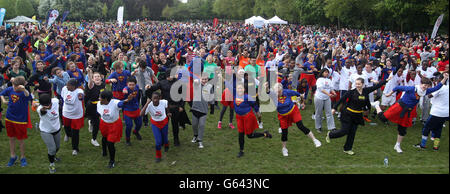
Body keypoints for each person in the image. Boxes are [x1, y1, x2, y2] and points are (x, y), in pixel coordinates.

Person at [374, 73, 448, 153]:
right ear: (420, 84)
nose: (425, 87)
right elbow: (397, 87)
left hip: (408, 111)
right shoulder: (412, 88)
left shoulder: (425, 91)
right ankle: (377, 105)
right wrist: (389, 94)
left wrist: (445, 78)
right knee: (383, 118)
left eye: (427, 86)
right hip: (399, 106)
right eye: (424, 85)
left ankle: (397, 145)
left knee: (402, 129)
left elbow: (438, 87)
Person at [327, 76, 391, 155]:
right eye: (356, 84)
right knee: (344, 131)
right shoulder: (351, 92)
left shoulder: (366, 91)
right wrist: (334, 108)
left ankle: (347, 149)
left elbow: (377, 86)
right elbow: (341, 99)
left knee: (352, 133)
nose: (357, 85)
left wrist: (386, 80)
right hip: (347, 114)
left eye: (359, 84)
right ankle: (330, 134)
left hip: (357, 115)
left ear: (363, 84)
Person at [267, 83, 322, 157]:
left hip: (293, 111)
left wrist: (302, 102)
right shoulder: (273, 95)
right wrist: (266, 87)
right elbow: (268, 91)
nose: (278, 93)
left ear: (282, 90)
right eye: (276, 92)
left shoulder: (287, 92)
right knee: (284, 132)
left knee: (300, 126)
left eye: (279, 92)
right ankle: (284, 148)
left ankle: (315, 140)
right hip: (283, 116)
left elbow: (299, 95)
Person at [0, 76, 33, 167]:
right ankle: (13, 156)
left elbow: (28, 96)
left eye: (16, 86)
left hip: (20, 120)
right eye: (14, 85)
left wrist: (24, 89)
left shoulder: (24, 93)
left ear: (21, 86)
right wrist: (3, 101)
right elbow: (2, 93)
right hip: (9, 118)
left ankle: (23, 157)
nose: (14, 88)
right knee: (11, 138)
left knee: (21, 140)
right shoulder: (10, 89)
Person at [234, 83, 272, 158]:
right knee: (240, 134)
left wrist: (258, 113)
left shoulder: (247, 97)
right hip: (239, 117)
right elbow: (228, 85)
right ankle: (241, 151)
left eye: (241, 88)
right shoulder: (235, 95)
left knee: (250, 135)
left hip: (248, 117)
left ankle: (265, 134)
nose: (239, 90)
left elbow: (255, 105)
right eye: (238, 88)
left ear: (244, 89)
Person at [414, 72, 449, 150]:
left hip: (437, 112)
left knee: (426, 128)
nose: (435, 81)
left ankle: (422, 145)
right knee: (438, 128)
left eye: (436, 80)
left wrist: (424, 90)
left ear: (440, 79)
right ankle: (435, 147)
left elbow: (430, 95)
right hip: (445, 113)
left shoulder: (440, 88)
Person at [97, 90, 128, 168]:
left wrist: (125, 101)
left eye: (101, 98)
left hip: (114, 125)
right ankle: (104, 151)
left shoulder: (114, 103)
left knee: (110, 143)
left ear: (106, 99)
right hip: (104, 123)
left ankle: (112, 161)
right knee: (104, 138)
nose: (99, 98)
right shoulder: (99, 103)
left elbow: (120, 104)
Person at [141, 92, 170, 163]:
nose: (155, 100)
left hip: (164, 122)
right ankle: (158, 156)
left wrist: (168, 112)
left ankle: (166, 145)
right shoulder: (149, 105)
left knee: (165, 138)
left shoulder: (164, 102)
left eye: (157, 98)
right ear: (151, 98)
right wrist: (147, 103)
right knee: (158, 142)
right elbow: (141, 114)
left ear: (160, 98)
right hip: (155, 124)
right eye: (154, 98)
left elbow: (166, 107)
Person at [36, 94, 61, 173]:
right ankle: (52, 164)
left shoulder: (55, 101)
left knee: (57, 147)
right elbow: (42, 111)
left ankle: (53, 156)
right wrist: (44, 108)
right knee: (52, 149)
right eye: (46, 105)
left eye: (49, 104)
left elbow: (58, 100)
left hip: (56, 128)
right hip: (46, 131)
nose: (48, 106)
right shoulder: (40, 109)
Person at [61, 78, 85, 156]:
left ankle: (75, 148)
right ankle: (68, 134)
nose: (67, 87)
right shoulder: (64, 89)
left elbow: (81, 96)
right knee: (66, 128)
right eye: (67, 85)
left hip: (76, 115)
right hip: (66, 113)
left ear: (74, 86)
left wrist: (81, 97)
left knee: (75, 132)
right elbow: (62, 96)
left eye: (69, 86)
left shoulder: (79, 91)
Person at [190, 75, 214, 149]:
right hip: (195, 108)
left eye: (205, 79)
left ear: (208, 79)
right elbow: (193, 82)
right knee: (194, 124)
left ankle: (200, 140)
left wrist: (212, 107)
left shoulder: (210, 86)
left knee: (201, 125)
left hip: (203, 110)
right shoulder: (197, 84)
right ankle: (195, 135)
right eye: (202, 79)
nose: (204, 80)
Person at [85, 68, 105, 147]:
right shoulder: (91, 85)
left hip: (101, 105)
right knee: (97, 124)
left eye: (98, 76)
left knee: (100, 120)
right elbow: (90, 82)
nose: (97, 78)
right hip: (92, 107)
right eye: (95, 77)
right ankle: (93, 139)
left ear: (101, 78)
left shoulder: (103, 85)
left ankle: (91, 122)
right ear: (93, 79)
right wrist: (90, 74)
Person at [122, 76, 143, 146]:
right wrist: (124, 90)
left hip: (136, 109)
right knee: (129, 126)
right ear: (127, 84)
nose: (131, 86)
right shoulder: (126, 89)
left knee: (139, 123)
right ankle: (127, 139)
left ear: (135, 84)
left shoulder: (137, 87)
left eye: (133, 85)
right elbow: (124, 89)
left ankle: (136, 132)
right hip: (127, 110)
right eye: (129, 85)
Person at [314, 69, 336, 133]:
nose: (327, 73)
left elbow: (331, 88)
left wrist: (334, 93)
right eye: (325, 72)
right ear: (322, 72)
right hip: (319, 97)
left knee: (329, 112)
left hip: (327, 98)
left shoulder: (329, 80)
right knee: (319, 113)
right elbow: (320, 88)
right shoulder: (319, 80)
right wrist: (328, 94)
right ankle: (318, 127)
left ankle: (332, 127)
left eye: (327, 72)